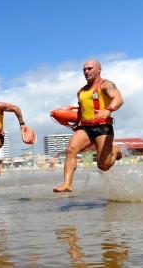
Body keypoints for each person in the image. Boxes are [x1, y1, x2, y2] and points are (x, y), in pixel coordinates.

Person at [53, 59, 124, 192]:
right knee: (70, 150)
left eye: (90, 68)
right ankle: (67, 184)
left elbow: (118, 99)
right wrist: (76, 122)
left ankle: (115, 151)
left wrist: (108, 110)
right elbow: (81, 110)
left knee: (103, 166)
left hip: (103, 127)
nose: (86, 72)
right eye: (84, 69)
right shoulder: (81, 91)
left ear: (99, 69)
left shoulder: (106, 84)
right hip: (85, 127)